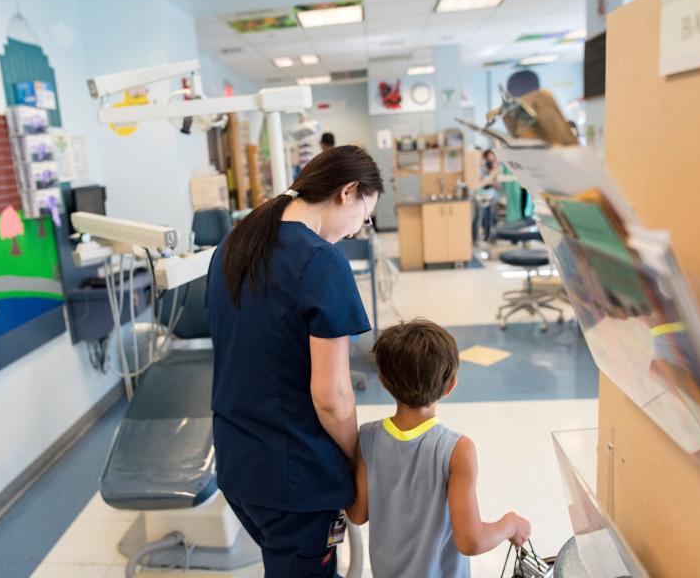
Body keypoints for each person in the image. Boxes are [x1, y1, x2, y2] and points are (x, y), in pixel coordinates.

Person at [206, 145, 383, 577]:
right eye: (366, 216)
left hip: (238, 462)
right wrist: (357, 460)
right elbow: (332, 397)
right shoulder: (321, 262)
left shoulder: (235, 243)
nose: (360, 229)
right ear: (348, 191)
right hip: (294, 479)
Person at [346, 319, 532, 577]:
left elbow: (356, 515)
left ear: (384, 382)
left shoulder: (367, 437)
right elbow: (471, 541)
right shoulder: (456, 450)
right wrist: (510, 524)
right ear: (451, 385)